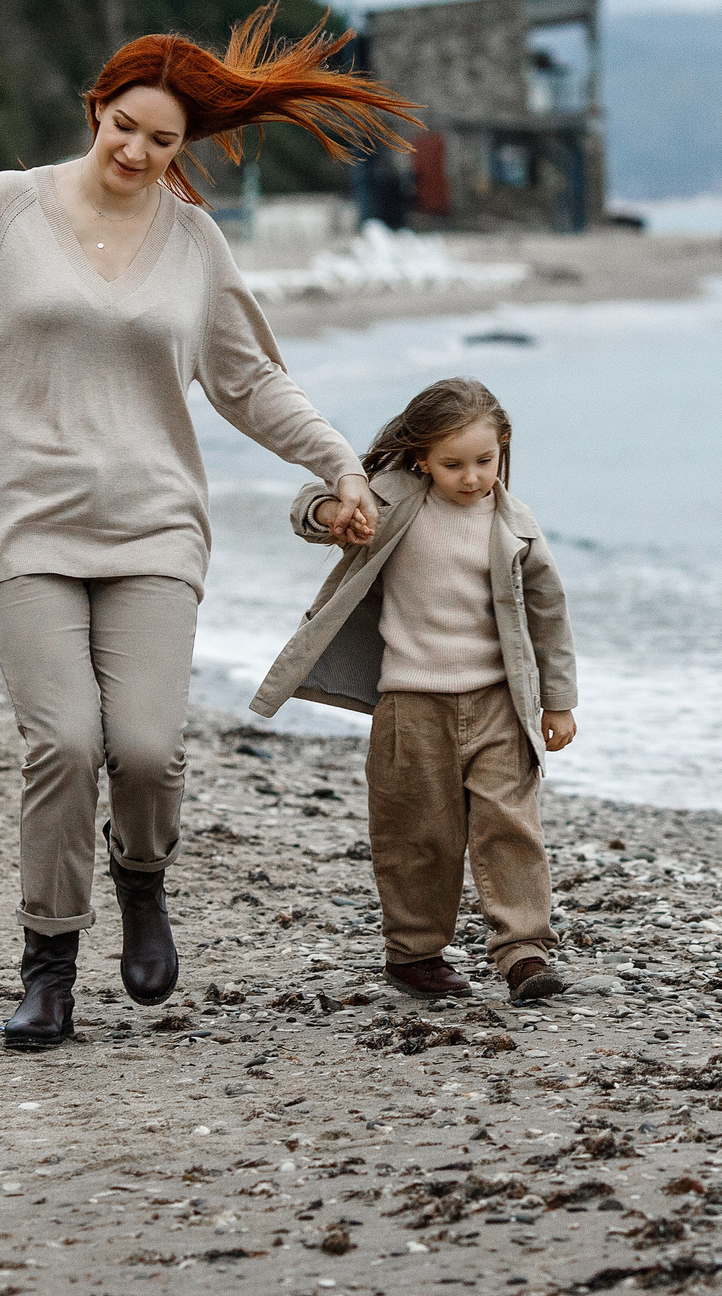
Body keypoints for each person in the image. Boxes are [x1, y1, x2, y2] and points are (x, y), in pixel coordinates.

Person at [0, 5, 416, 1051]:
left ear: (184, 147)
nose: (135, 151)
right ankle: (48, 967)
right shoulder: (4, 209)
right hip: (21, 522)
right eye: (123, 126)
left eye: (161, 140)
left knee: (146, 749)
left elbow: (249, 380)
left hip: (153, 528)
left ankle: (141, 877)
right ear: (97, 108)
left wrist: (338, 462)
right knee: (66, 743)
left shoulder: (194, 241)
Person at [251, 377, 579, 1003]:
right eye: (453, 464)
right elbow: (307, 506)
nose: (471, 477)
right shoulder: (394, 500)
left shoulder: (515, 526)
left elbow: (549, 615)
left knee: (511, 827)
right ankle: (415, 953)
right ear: (422, 457)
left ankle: (524, 953)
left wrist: (558, 701)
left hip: (500, 703)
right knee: (414, 833)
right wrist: (331, 513)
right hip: (410, 703)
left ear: (503, 446)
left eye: (484, 461)